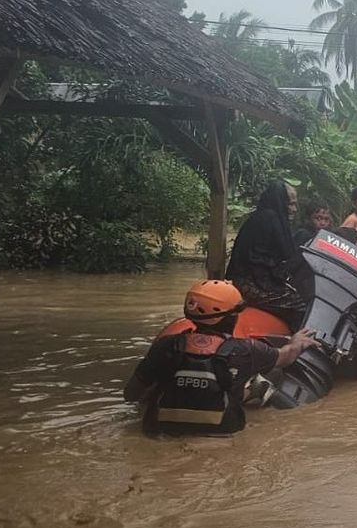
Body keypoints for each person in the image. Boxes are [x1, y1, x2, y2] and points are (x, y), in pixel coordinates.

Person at [123, 280, 319, 436]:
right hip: (222, 433)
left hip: (160, 432)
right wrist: (296, 342)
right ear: (231, 317)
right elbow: (285, 358)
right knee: (259, 376)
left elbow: (131, 394)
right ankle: (255, 389)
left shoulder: (164, 345)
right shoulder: (247, 350)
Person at [225, 181, 313, 330]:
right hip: (254, 284)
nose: (294, 209)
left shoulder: (260, 217)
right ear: (280, 201)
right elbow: (283, 254)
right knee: (301, 307)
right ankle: (297, 348)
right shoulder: (270, 218)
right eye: (290, 204)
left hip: (248, 280)